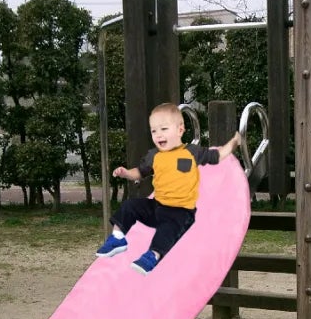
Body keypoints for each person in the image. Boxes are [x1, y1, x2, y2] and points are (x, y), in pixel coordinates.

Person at [96, 102, 242, 275]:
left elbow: (217, 156)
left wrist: (234, 143)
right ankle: (118, 238)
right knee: (130, 206)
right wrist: (126, 173)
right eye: (154, 131)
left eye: (164, 129)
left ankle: (153, 255)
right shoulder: (154, 156)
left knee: (167, 230)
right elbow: (139, 173)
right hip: (157, 207)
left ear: (180, 130)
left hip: (181, 212)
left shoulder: (192, 152)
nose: (158, 135)